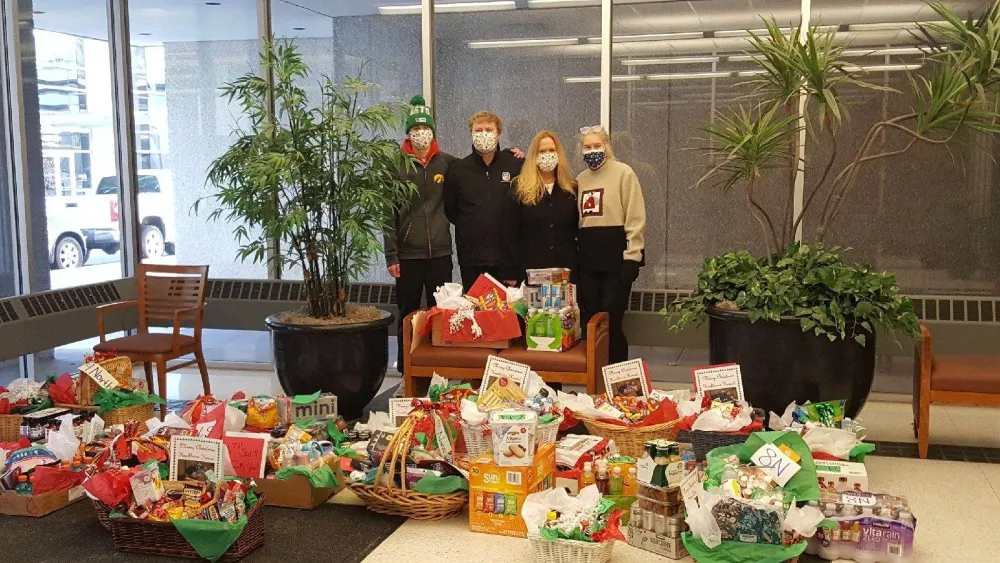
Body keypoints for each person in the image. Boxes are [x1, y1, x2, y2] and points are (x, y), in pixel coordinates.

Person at [384, 95, 455, 377]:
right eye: (416, 129)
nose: (421, 134)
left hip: (440, 252)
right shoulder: (395, 166)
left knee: (442, 313)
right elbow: (386, 212)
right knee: (408, 314)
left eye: (426, 129)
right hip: (407, 255)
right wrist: (391, 254)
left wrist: (511, 155)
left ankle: (440, 371)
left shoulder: (447, 163)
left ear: (433, 132)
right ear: (408, 133)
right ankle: (408, 372)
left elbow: (477, 171)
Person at [575, 125, 647, 364]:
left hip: (616, 259)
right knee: (591, 320)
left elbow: (635, 217)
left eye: (597, 146)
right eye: (588, 147)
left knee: (612, 320)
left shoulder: (624, 173)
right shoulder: (580, 180)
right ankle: (594, 376)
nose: (592, 150)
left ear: (607, 147)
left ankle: (617, 378)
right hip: (588, 260)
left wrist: (632, 255)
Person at [444, 111, 524, 290]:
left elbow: (523, 208)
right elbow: (451, 210)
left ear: (499, 133)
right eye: (478, 130)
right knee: (476, 313)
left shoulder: (515, 165)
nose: (484, 134)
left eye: (489, 129)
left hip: (508, 260)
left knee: (508, 315)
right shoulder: (458, 170)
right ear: (471, 134)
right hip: (472, 260)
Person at [512, 130, 578, 277]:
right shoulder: (519, 188)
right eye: (542, 151)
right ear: (534, 156)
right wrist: (511, 270)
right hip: (531, 269)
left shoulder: (572, 189)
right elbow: (510, 232)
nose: (547, 155)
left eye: (552, 150)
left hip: (566, 269)